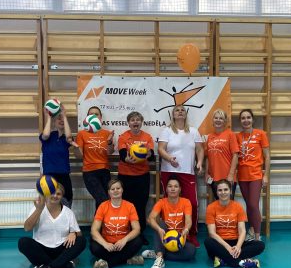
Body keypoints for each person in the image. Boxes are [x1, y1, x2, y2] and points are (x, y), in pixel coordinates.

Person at [158, 105, 204, 247]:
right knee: (168, 204)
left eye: (182, 110)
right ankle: (167, 233)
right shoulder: (166, 131)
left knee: (192, 204)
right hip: (169, 171)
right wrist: (169, 158)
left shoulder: (194, 131)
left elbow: (200, 149)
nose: (180, 112)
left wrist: (200, 162)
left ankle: (191, 234)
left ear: (185, 114)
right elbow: (160, 149)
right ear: (173, 114)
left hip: (187, 172)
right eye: (177, 110)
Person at [19, 181, 86, 268]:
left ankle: (48, 267)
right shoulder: (38, 208)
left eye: (58, 194)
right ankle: (62, 265)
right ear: (47, 194)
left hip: (62, 249)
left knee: (82, 241)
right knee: (23, 242)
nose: (55, 196)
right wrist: (39, 209)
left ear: (62, 196)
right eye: (52, 193)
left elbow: (79, 234)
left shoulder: (68, 212)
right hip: (42, 250)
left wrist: (74, 233)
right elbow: (27, 228)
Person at [204, 179, 265, 268]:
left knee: (260, 245)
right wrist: (228, 247)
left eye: (226, 189)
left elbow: (242, 231)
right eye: (220, 190)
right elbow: (212, 233)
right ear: (216, 192)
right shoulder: (211, 207)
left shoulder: (238, 206)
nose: (223, 192)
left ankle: (224, 260)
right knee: (208, 241)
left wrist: (238, 246)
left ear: (230, 191)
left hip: (235, 242)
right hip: (220, 243)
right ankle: (241, 262)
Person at [143, 176, 196, 268]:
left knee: (191, 251)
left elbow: (188, 221)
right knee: (160, 224)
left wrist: (186, 229)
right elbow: (150, 218)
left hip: (179, 239)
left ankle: (158, 252)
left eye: (176, 186)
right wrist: (159, 229)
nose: (172, 189)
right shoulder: (161, 202)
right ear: (166, 189)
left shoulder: (186, 202)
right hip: (165, 236)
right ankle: (159, 258)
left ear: (180, 189)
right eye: (170, 186)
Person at [89, 179, 144, 268]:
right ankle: (127, 259)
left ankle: (108, 263)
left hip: (123, 245)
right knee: (93, 247)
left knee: (139, 241)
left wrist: (124, 240)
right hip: (108, 245)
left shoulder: (130, 206)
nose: (115, 191)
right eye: (112, 189)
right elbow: (94, 230)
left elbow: (137, 229)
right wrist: (105, 244)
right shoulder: (102, 206)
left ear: (122, 190)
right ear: (108, 192)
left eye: (118, 188)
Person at [118, 111, 155, 245]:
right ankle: (126, 232)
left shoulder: (147, 137)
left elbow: (151, 156)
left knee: (140, 206)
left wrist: (148, 155)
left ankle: (140, 233)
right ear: (129, 123)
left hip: (142, 176)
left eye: (138, 120)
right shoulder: (123, 137)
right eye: (132, 120)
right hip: (125, 176)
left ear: (141, 122)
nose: (135, 122)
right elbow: (122, 154)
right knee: (126, 206)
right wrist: (127, 159)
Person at [235, 108, 270, 241]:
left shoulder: (261, 134)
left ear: (253, 119)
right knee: (249, 205)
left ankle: (257, 235)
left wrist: (266, 175)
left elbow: (267, 156)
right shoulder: (237, 136)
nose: (246, 120)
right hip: (242, 176)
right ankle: (251, 230)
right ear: (240, 121)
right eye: (243, 118)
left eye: (248, 117)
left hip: (256, 175)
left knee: (254, 205)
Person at [74, 106, 114, 211]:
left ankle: (99, 222)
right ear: (87, 117)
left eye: (96, 114)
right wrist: (76, 147)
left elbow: (109, 152)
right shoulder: (82, 134)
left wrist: (109, 142)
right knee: (103, 200)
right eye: (91, 114)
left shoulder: (106, 133)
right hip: (90, 172)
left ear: (100, 117)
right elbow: (79, 156)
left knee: (102, 202)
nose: (94, 116)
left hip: (105, 171)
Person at [40, 103, 74, 207]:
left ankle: (66, 217)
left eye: (62, 118)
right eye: (59, 118)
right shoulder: (48, 137)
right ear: (54, 122)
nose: (61, 120)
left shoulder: (66, 139)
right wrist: (49, 117)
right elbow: (46, 134)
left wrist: (64, 116)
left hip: (64, 175)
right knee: (49, 203)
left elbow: (69, 137)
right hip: (49, 175)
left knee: (67, 201)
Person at [204, 108, 239, 200]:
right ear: (213, 120)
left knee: (228, 204)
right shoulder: (209, 137)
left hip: (227, 177)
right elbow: (207, 157)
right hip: (213, 177)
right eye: (216, 118)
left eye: (221, 118)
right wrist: (206, 173)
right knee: (218, 203)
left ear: (225, 121)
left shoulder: (230, 134)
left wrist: (231, 175)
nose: (218, 120)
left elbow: (235, 155)